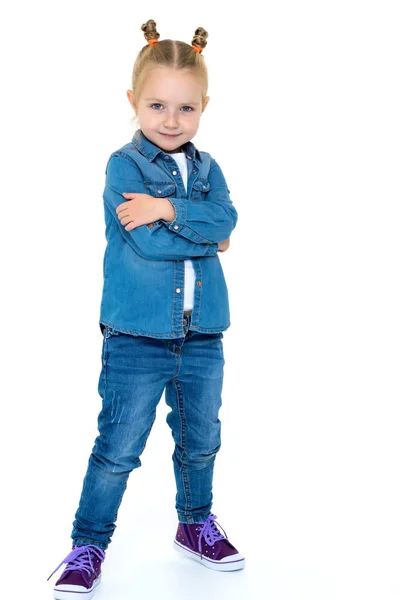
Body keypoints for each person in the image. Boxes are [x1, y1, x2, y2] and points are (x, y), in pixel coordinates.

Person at [47, 18, 245, 600]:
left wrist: (168, 209)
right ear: (133, 100)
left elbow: (230, 219)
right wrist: (204, 233)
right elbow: (149, 244)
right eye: (157, 104)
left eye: (186, 108)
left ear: (204, 107)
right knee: (118, 447)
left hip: (203, 334)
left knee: (201, 438)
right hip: (136, 334)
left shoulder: (209, 170)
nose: (170, 119)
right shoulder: (123, 167)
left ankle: (194, 524)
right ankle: (88, 544)